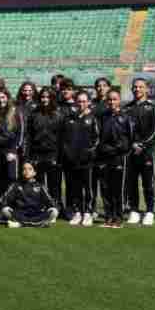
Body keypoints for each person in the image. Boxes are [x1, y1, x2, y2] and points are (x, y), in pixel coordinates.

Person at [95, 89, 133, 228]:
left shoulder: (126, 117)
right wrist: (102, 149)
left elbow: (129, 138)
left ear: (119, 100)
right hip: (104, 157)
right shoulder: (102, 116)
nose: (112, 102)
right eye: (109, 99)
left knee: (118, 189)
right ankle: (108, 217)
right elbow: (98, 136)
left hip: (119, 157)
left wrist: (118, 149)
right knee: (105, 188)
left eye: (114, 99)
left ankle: (118, 217)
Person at [124, 78, 155, 225]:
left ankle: (150, 211)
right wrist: (132, 145)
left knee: (148, 183)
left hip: (146, 153)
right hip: (131, 152)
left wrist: (142, 145)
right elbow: (124, 131)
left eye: (140, 87)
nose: (137, 89)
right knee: (131, 183)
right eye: (135, 87)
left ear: (146, 89)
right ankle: (134, 210)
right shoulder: (127, 108)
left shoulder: (153, 108)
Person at [60, 90, 99, 226]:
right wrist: (68, 153)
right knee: (74, 188)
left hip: (87, 161)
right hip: (72, 160)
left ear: (89, 102)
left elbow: (97, 139)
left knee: (88, 187)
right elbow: (64, 139)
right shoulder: (70, 118)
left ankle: (88, 212)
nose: (81, 104)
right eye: (79, 101)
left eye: (84, 101)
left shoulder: (93, 118)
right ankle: (77, 212)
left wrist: (89, 153)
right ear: (75, 102)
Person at [0, 88, 24, 202]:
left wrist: (14, 151)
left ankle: (11, 205)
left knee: (11, 179)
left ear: (7, 97)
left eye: (3, 97)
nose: (1, 100)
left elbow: (20, 134)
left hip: (10, 153)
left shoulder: (16, 112)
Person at [0, 161, 59, 228]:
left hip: (37, 214)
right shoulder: (15, 185)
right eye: (24, 169)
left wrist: (54, 206)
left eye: (30, 169)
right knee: (5, 210)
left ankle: (20, 224)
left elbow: (50, 201)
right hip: (21, 214)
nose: (27, 171)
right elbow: (5, 199)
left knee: (54, 211)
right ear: (22, 171)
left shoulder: (40, 186)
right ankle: (39, 224)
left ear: (34, 172)